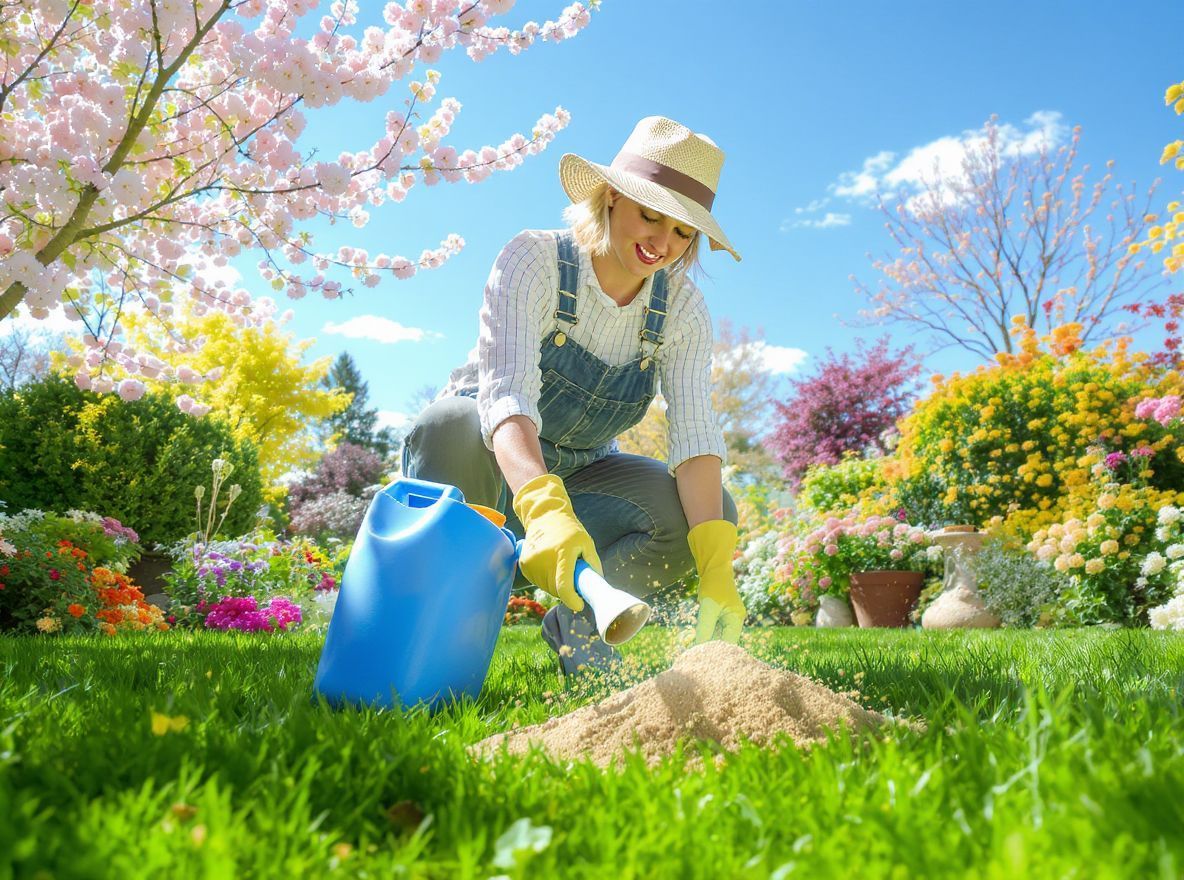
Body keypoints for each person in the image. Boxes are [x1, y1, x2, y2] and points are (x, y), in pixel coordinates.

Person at [401, 116, 746, 676]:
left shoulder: (681, 310)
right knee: (451, 422)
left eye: (683, 232)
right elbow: (506, 396)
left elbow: (695, 434)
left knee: (708, 511)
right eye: (651, 216)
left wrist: (714, 562)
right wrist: (542, 509)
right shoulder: (534, 260)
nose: (663, 243)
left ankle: (583, 635)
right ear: (611, 198)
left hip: (584, 477)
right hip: (482, 469)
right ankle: (434, 645)